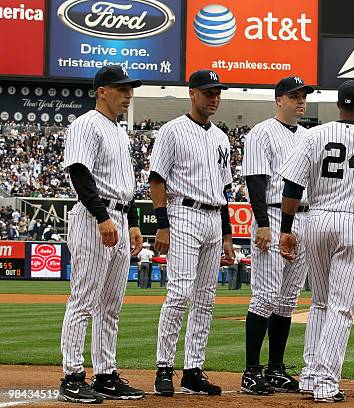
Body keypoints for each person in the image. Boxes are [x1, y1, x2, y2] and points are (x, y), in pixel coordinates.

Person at [278, 80, 354, 403]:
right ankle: (326, 382)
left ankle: (310, 375)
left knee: (319, 302)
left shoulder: (313, 134)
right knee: (341, 308)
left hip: (316, 220)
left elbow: (292, 186)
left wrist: (286, 228)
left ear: (338, 106)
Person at [58, 65, 145, 403]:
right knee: (84, 299)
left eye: (130, 89)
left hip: (120, 217)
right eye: (121, 88)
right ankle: (72, 375)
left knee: (110, 306)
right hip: (97, 219)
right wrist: (101, 216)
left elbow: (126, 185)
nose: (128, 94)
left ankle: (105, 375)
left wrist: (134, 221)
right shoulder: (85, 124)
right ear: (102, 91)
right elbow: (79, 172)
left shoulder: (119, 131)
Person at [150, 69, 235, 397]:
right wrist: (162, 223)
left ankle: (193, 370)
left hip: (214, 218)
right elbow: (156, 179)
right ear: (192, 93)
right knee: (179, 293)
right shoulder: (172, 130)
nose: (214, 97)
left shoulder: (221, 137)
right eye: (208, 92)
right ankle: (164, 366)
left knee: (206, 299)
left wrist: (228, 234)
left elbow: (224, 190)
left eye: (217, 92)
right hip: (183, 213)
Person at [240, 76, 314, 395]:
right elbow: (256, 181)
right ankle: (251, 371)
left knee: (287, 301)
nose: (300, 101)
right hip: (271, 213)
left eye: (303, 96)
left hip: (305, 218)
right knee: (266, 296)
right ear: (278, 99)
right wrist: (263, 224)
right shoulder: (262, 132)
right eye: (294, 96)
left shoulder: (310, 136)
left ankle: (275, 369)